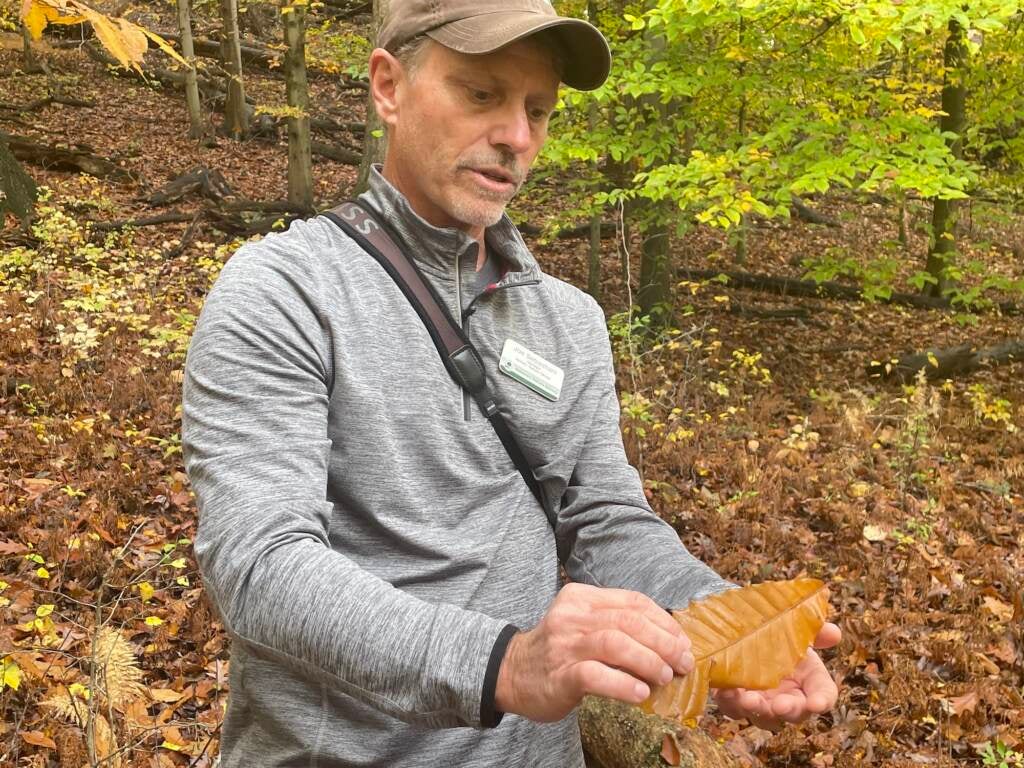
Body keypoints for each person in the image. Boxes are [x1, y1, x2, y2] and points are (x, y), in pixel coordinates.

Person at [181, 2, 841, 766]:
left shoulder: (570, 321)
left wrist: (721, 618)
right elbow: (260, 567)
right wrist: (506, 664)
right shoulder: (285, 292)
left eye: (538, 110)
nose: (517, 137)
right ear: (387, 87)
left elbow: (603, 517)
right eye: (482, 94)